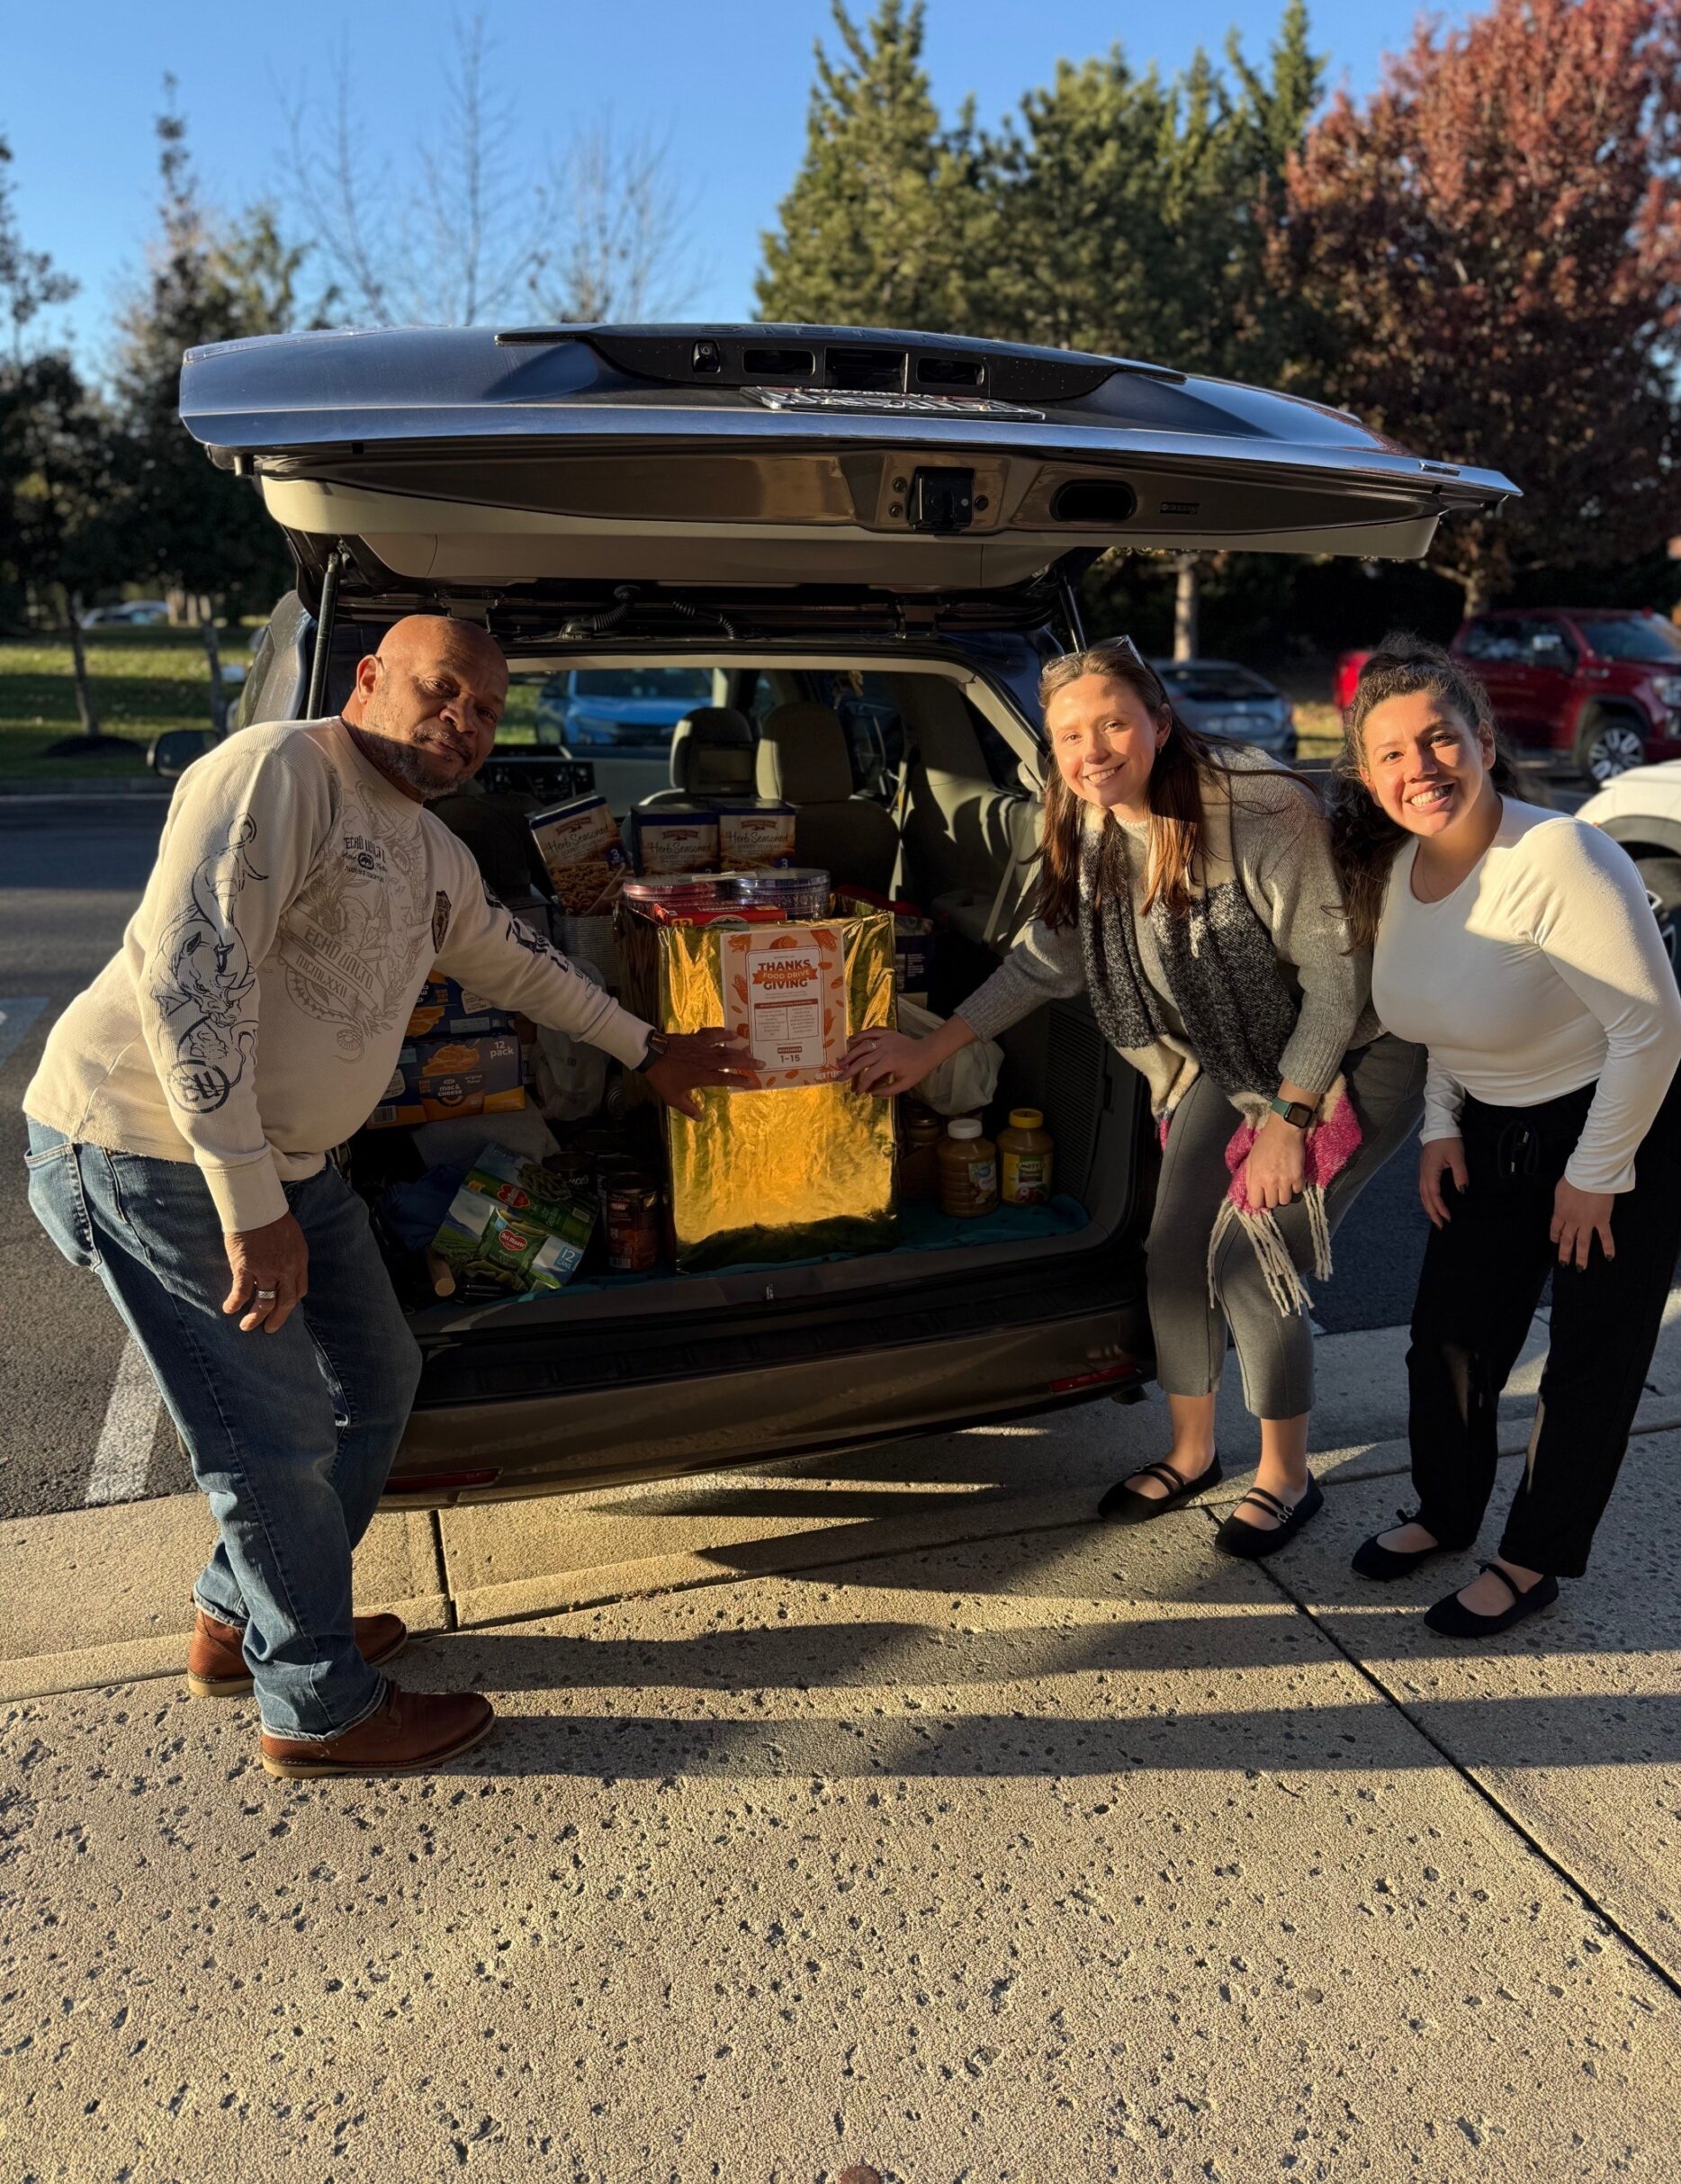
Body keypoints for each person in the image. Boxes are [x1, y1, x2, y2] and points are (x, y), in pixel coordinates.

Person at [24, 616, 754, 1775]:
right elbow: (188, 980)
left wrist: (645, 1046)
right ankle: (316, 1704)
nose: (463, 723)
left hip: (285, 1163)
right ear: (369, 679)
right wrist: (250, 1205)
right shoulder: (280, 772)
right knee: (269, 1435)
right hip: (153, 1148)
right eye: (441, 690)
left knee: (377, 1375)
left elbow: (512, 958)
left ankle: (248, 1616)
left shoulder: (425, 846)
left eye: (485, 711)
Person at [840, 637, 1425, 1552]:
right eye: (1070, 736)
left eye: (1113, 724)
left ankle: (1286, 1475)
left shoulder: (1259, 808)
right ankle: (1192, 1452)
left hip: (1351, 1052)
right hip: (1234, 1053)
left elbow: (1336, 980)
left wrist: (1289, 1122)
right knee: (1172, 1249)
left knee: (1255, 1257)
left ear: (1159, 720)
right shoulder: (1091, 822)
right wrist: (932, 1049)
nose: (1093, 751)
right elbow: (1048, 959)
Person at [1333, 634, 1681, 1637]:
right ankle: (1447, 1511)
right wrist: (1440, 1126)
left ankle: (1532, 1558)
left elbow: (1653, 1029)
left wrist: (1598, 1172)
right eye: (1391, 752)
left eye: (1440, 738)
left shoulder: (1558, 854)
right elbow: (1449, 1017)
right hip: (1498, 1118)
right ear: (1368, 776)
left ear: (1485, 741)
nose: (1421, 766)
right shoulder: (1399, 872)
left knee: (1591, 1350)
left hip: (1634, 1110)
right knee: (1449, 1336)